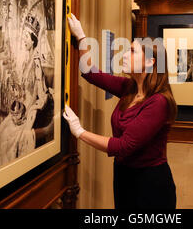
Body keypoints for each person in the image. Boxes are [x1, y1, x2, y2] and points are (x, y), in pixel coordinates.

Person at [62, 14, 177, 209]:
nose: (124, 55)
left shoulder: (159, 102)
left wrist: (80, 131)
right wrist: (81, 37)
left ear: (150, 62)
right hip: (124, 175)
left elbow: (123, 146)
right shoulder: (129, 87)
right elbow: (91, 73)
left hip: (149, 184)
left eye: (132, 51)